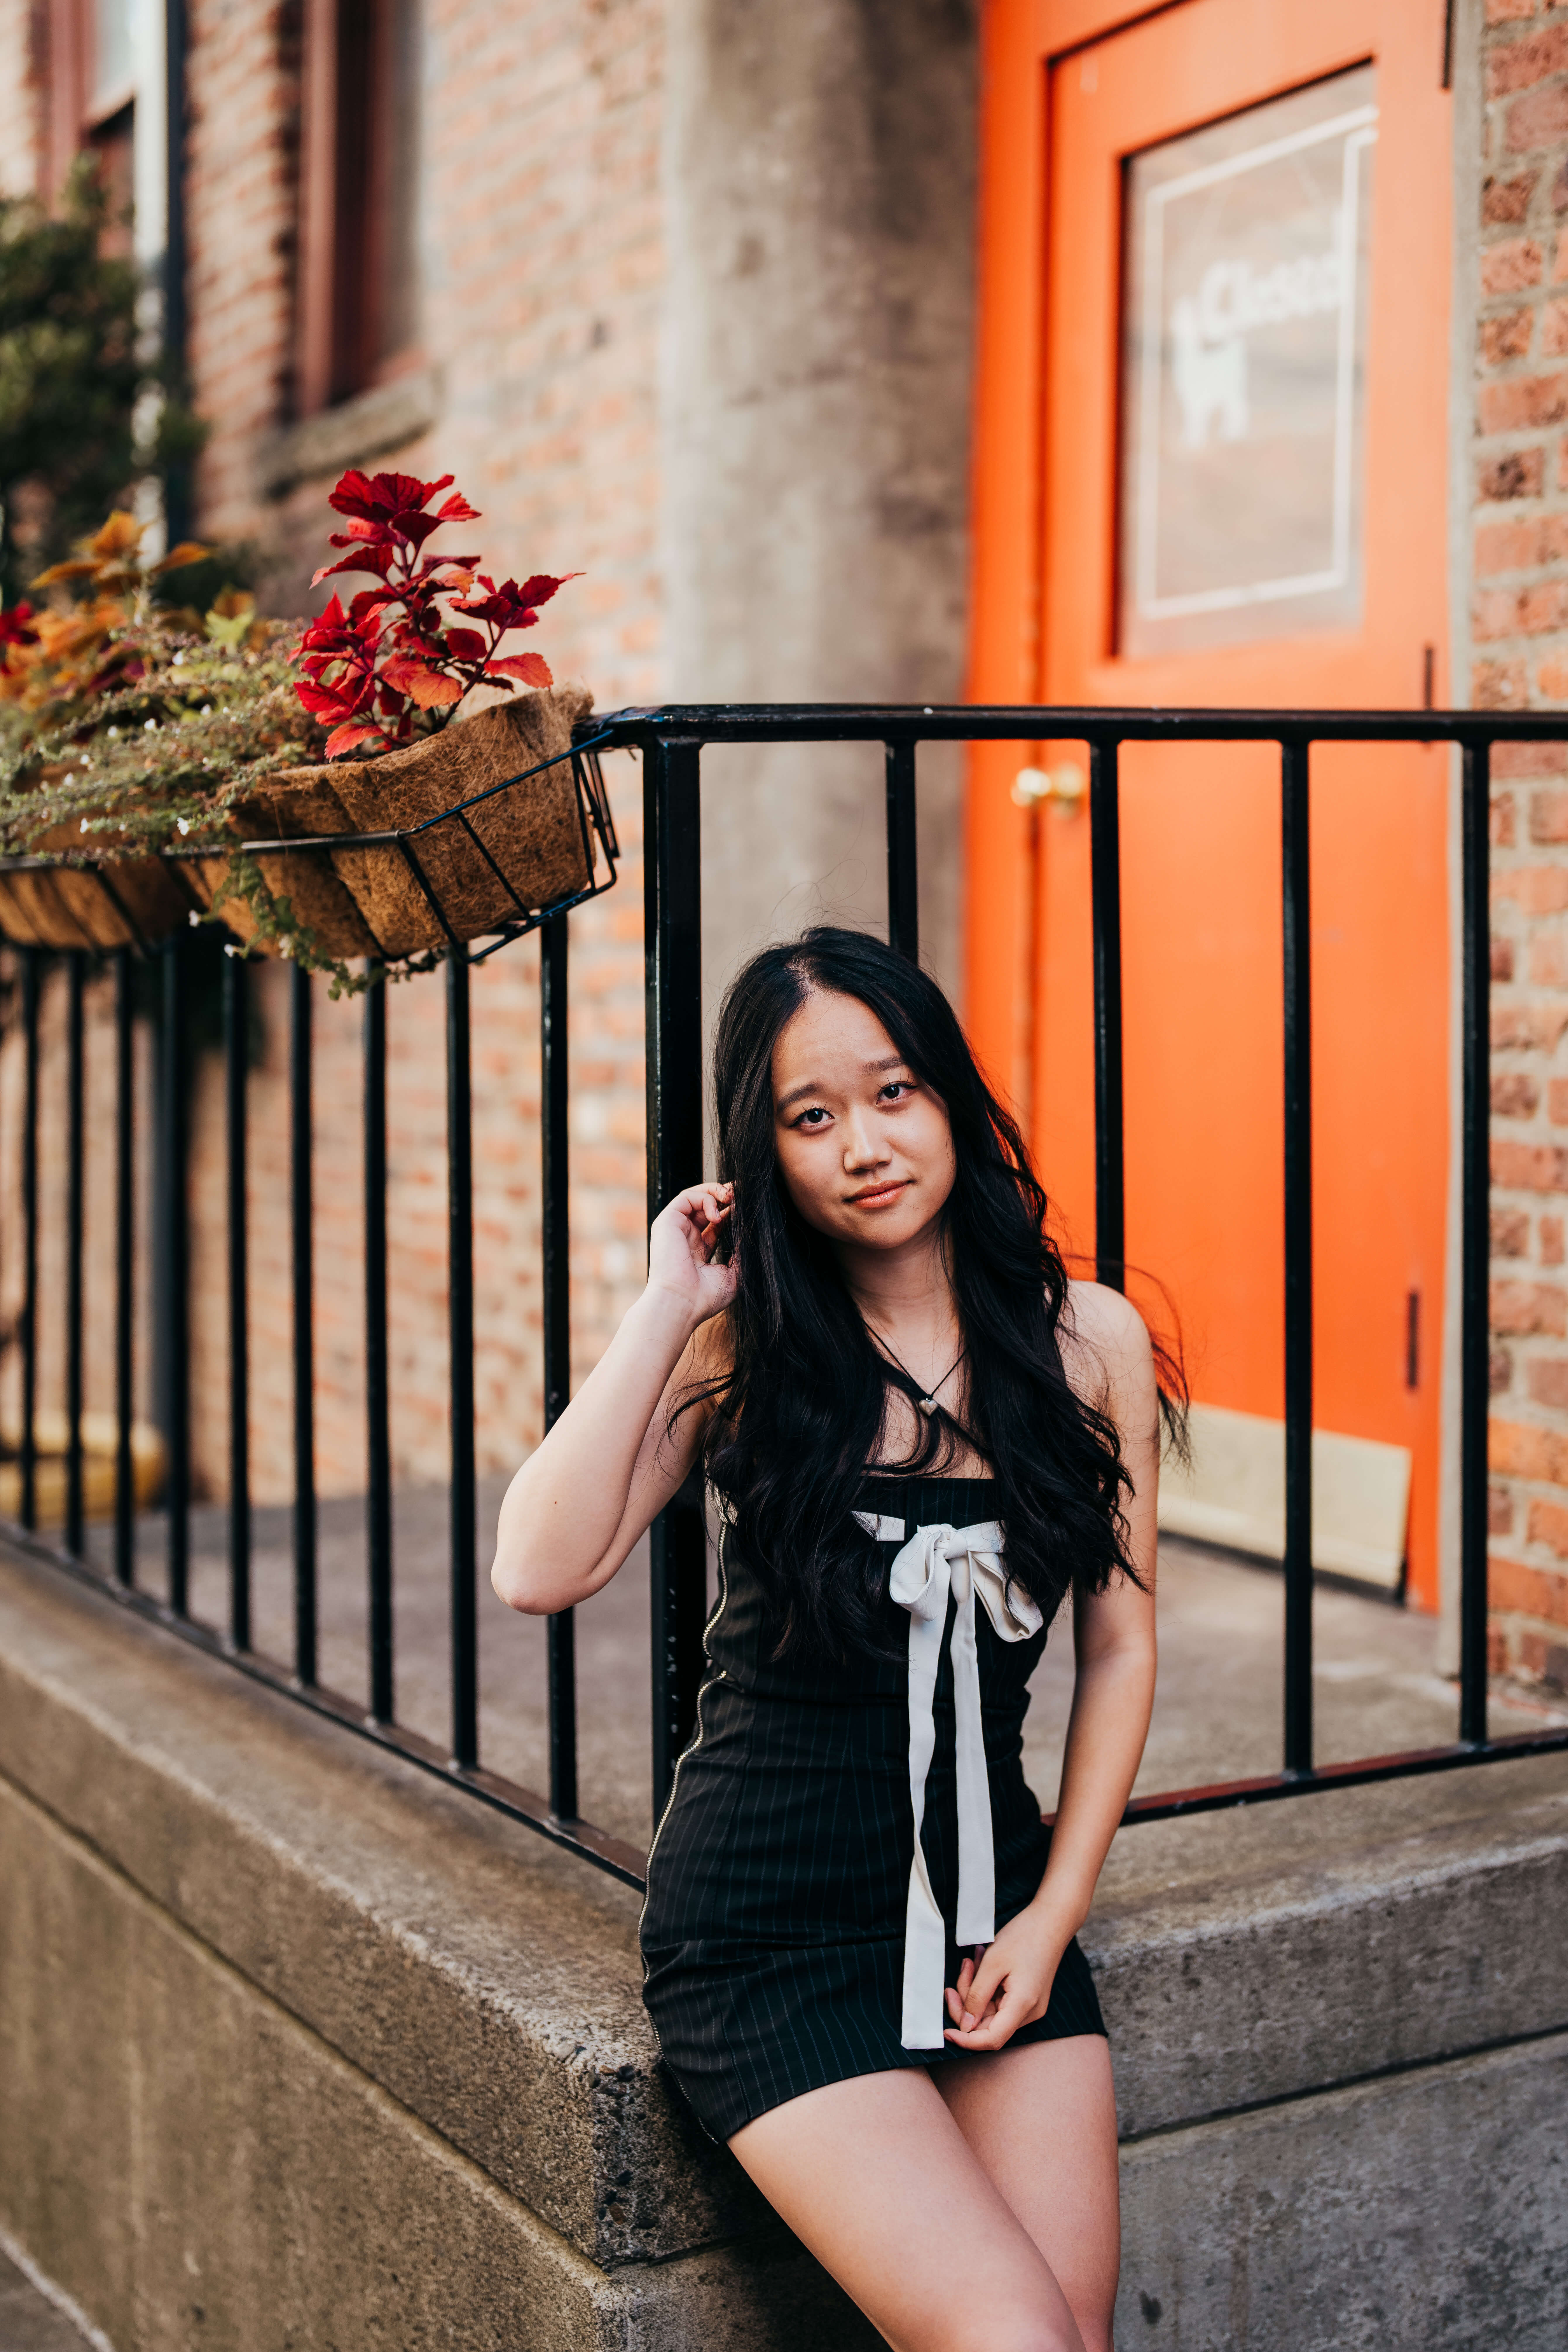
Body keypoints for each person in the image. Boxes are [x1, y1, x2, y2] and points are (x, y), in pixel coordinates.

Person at [493, 927, 1163, 2352]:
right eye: (812, 1116)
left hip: (997, 1910)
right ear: (767, 1154)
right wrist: (672, 1298)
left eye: (894, 1092)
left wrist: (1053, 1917)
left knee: (1074, 2335)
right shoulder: (744, 1353)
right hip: (771, 1932)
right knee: (1010, 2337)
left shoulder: (1086, 1342)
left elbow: (1120, 1649)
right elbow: (537, 1567)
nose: (864, 1142)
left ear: (950, 1102)